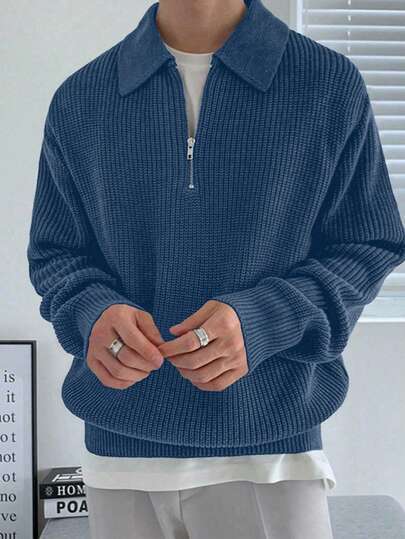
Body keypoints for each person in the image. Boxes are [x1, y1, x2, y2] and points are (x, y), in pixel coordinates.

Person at [26, 0, 405, 537]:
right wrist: (94, 313)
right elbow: (55, 253)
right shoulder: (82, 98)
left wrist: (264, 319)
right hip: (120, 455)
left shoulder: (326, 85)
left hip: (272, 452)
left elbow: (369, 243)